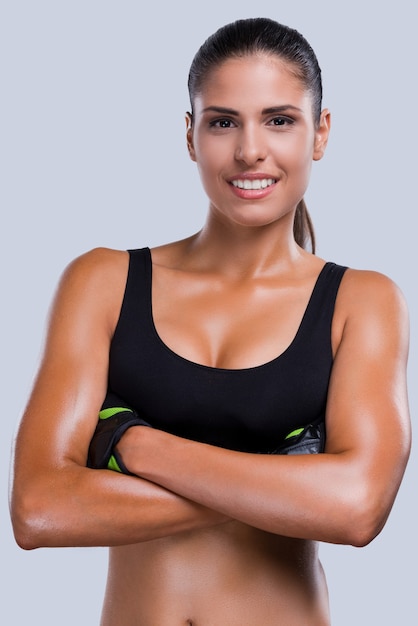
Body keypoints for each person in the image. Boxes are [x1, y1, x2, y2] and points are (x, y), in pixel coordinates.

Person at [10, 17, 411, 626]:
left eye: (280, 120)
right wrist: (286, 484)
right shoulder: (102, 282)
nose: (250, 149)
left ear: (320, 133)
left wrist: (130, 444)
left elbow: (356, 510)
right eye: (224, 121)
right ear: (192, 135)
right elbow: (39, 510)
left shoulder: (363, 300)